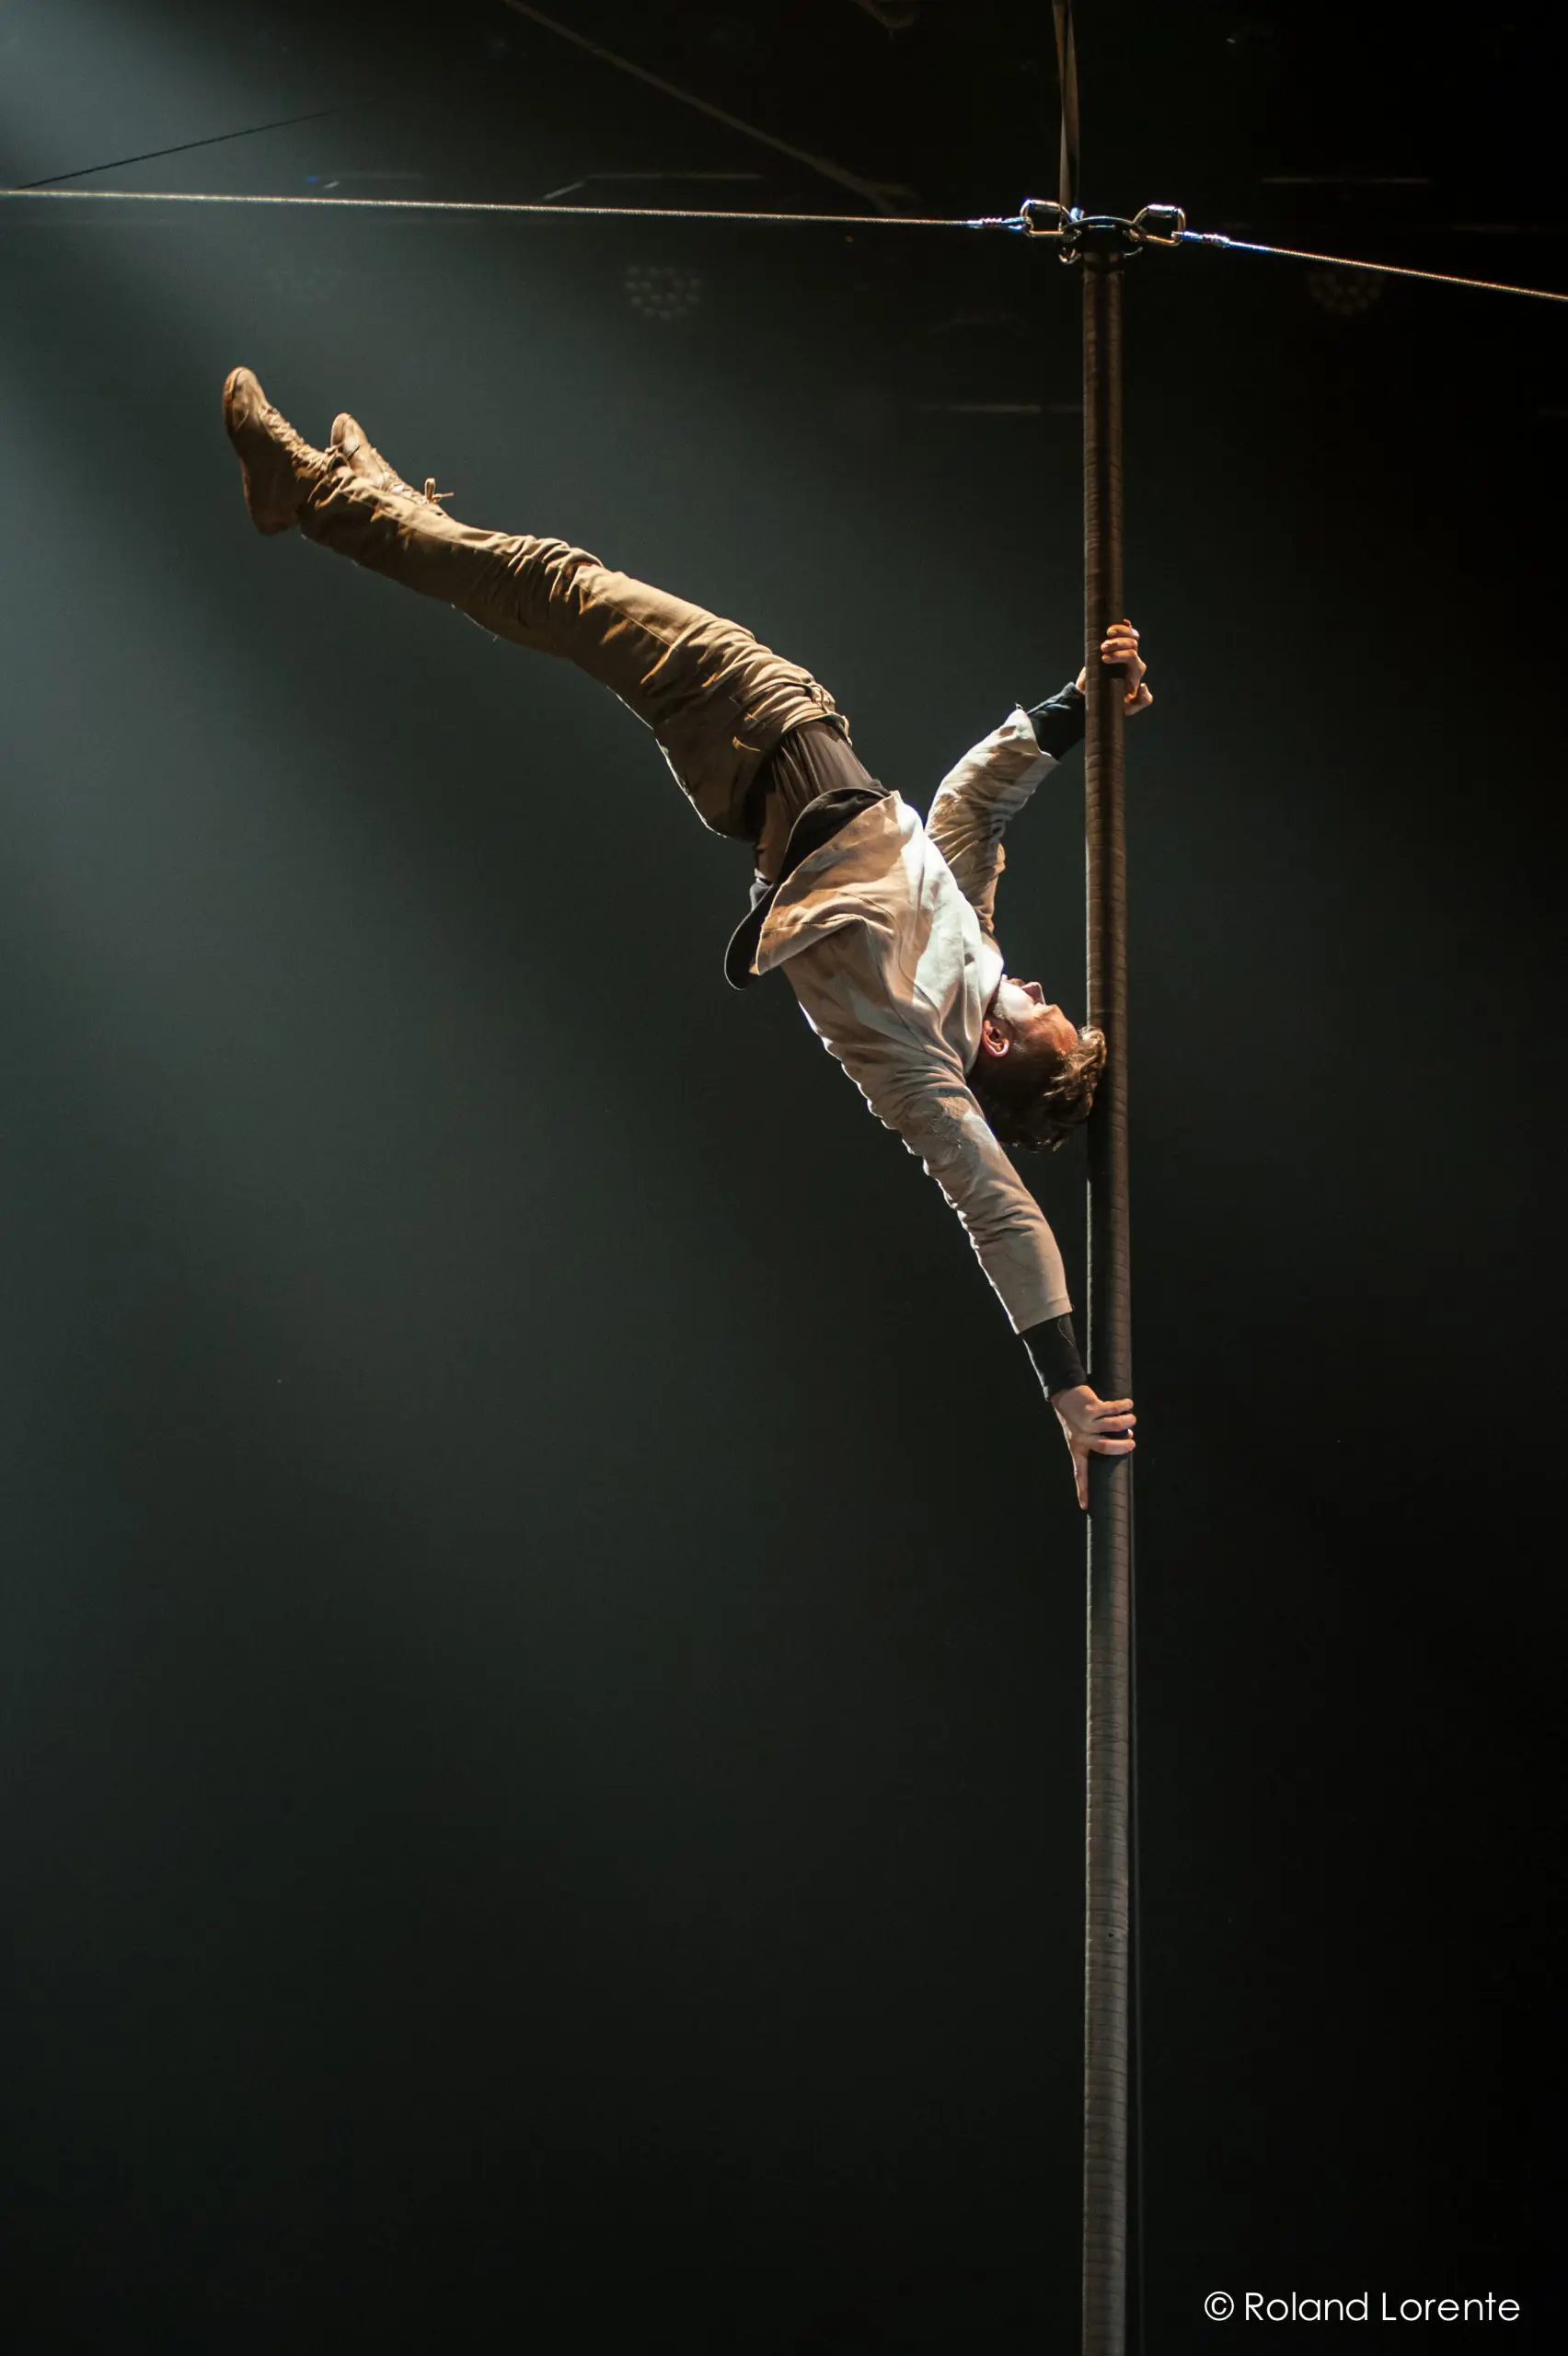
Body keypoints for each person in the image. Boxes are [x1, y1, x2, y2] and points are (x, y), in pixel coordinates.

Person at [222, 367, 1145, 1507]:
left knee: (551, 582)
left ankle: (315, 497)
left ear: (1009, 1056)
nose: (1044, 986)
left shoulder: (918, 1063)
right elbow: (969, 802)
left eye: (1048, 1014)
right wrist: (1074, 708)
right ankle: (372, 503)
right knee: (550, 587)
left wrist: (1064, 1388)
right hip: (789, 721)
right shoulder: (976, 954)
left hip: (753, 735)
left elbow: (996, 1210)